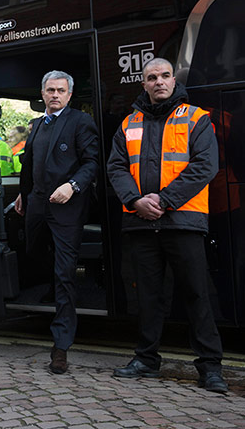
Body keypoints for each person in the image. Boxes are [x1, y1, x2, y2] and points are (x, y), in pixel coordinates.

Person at [106, 58, 227, 393]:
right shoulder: (129, 123)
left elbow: (205, 165)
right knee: (148, 296)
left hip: (183, 221)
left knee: (196, 294)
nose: (158, 81)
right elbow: (115, 168)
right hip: (141, 223)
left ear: (174, 80)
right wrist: (135, 201)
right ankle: (146, 359)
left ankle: (210, 367)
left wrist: (163, 200)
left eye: (164, 76)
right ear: (142, 84)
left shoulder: (196, 118)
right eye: (151, 77)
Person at [14, 70, 99, 374]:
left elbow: (92, 162)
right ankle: (51, 293)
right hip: (36, 205)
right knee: (35, 255)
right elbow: (29, 163)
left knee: (64, 272)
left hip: (67, 209)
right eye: (50, 90)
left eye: (60, 91)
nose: (55, 95)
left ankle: (60, 346)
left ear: (69, 94)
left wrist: (73, 186)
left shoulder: (80, 121)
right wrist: (23, 194)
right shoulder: (37, 125)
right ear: (43, 92)